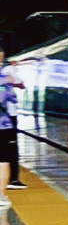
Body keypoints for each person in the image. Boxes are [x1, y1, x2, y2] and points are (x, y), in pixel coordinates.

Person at [0, 56, 19, 206]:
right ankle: (0, 196)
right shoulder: (5, 79)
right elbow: (13, 98)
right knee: (3, 161)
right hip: (3, 125)